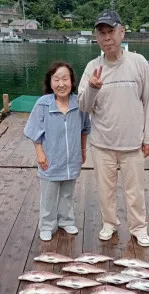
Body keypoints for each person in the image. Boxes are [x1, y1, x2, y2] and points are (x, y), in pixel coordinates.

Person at [78, 9, 149, 247]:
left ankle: (139, 227)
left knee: (135, 191)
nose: (107, 37)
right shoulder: (92, 67)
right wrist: (93, 87)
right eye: (101, 33)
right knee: (105, 190)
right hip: (102, 144)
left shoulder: (138, 62)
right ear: (97, 38)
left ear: (122, 32)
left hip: (133, 143)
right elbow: (83, 106)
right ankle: (109, 223)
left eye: (111, 31)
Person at [24, 62, 90, 241]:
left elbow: (85, 129)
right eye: (57, 79)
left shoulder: (79, 103)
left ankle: (66, 221)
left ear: (72, 81)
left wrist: (83, 150)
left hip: (72, 158)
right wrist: (40, 153)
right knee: (49, 195)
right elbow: (34, 130)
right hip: (51, 158)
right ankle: (46, 225)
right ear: (50, 82)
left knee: (67, 193)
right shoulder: (43, 104)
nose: (61, 84)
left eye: (65, 79)